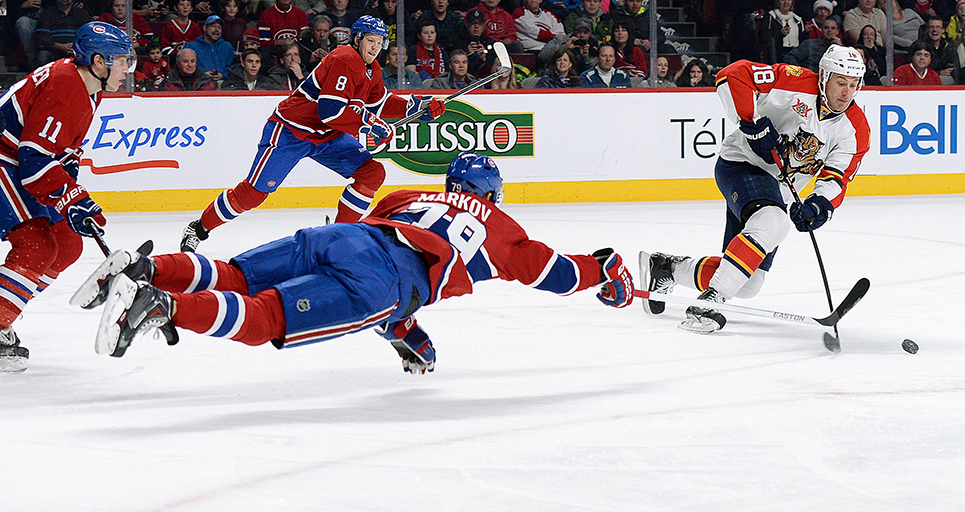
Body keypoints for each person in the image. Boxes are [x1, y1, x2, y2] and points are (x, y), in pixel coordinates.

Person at [77, 153, 635, 375]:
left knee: (237, 273)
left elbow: (370, 225)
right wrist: (603, 267)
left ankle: (145, 271)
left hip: (342, 236)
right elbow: (556, 274)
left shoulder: (415, 197)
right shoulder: (498, 229)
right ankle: (163, 306)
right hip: (385, 280)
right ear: (492, 192)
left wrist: (405, 332)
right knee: (266, 316)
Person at [640, 45, 870, 333]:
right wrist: (751, 124)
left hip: (778, 192)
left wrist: (818, 205)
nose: (846, 92)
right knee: (774, 222)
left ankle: (667, 268)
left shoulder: (856, 128)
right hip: (741, 165)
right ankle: (709, 303)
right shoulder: (792, 79)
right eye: (840, 82)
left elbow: (838, 177)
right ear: (823, 76)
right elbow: (733, 75)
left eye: (852, 85)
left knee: (748, 284)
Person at [179, 16, 445, 252]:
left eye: (380, 42)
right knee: (253, 194)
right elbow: (330, 110)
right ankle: (198, 228)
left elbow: (379, 102)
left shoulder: (372, 69)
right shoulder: (344, 58)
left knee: (372, 173)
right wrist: (370, 123)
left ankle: (338, 238)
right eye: (371, 41)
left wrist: (417, 104)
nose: (376, 48)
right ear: (357, 39)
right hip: (291, 131)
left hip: (328, 136)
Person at [0, 22, 133, 372]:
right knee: (38, 246)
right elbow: (34, 160)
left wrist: (71, 194)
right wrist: (70, 198)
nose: (127, 68)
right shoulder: (66, 85)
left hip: (15, 161)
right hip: (6, 159)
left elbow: (62, 151)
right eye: (122, 60)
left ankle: (3, 307)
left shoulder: (90, 87)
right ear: (99, 61)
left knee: (68, 244)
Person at [34, 0, 92, 65]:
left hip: (76, 51)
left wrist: (74, 45)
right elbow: (41, 36)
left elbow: (88, 36)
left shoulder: (82, 14)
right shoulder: (46, 13)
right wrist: (60, 46)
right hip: (53, 51)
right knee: (42, 56)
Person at [185, 15, 235, 81]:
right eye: (213, 26)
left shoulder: (227, 47)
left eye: (219, 28)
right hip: (197, 83)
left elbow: (232, 67)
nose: (217, 29)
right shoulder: (191, 46)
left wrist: (223, 75)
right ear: (205, 28)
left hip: (223, 85)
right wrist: (201, 75)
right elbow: (184, 67)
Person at [463, 9, 498, 77]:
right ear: (467, 24)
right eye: (473, 23)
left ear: (484, 25)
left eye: (479, 23)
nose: (476, 27)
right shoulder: (458, 41)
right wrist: (467, 54)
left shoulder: (491, 43)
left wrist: (484, 59)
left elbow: (494, 68)